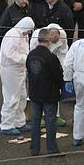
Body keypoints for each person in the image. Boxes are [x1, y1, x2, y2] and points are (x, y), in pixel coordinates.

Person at [26, 29, 64, 157]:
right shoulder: (51, 57)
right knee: (50, 121)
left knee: (35, 121)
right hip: (49, 93)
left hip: (35, 92)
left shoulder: (31, 54)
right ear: (48, 40)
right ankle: (51, 149)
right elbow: (58, 75)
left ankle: (34, 149)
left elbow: (29, 71)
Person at [0, 17, 35, 136]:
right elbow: (9, 54)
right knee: (12, 97)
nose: (29, 33)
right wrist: (25, 59)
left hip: (19, 69)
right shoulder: (13, 35)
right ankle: (7, 124)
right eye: (28, 30)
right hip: (11, 69)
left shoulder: (22, 35)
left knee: (22, 96)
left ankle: (19, 121)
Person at [30, 23, 69, 126]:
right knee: (40, 92)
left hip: (52, 62)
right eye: (52, 39)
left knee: (54, 91)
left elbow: (63, 53)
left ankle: (55, 116)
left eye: (56, 39)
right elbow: (33, 54)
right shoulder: (36, 36)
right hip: (39, 65)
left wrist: (63, 68)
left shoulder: (63, 35)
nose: (54, 41)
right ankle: (41, 117)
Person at [0, 0, 31, 70]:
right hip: (14, 45)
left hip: (25, 44)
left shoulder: (29, 10)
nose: (24, 1)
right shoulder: (9, 11)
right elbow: (2, 29)